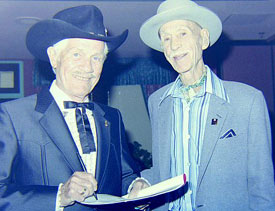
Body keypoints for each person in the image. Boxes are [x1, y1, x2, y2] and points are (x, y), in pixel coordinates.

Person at [0, 5, 143, 211]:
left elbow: (125, 174)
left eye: (96, 58)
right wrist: (59, 196)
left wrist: (136, 185)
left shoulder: (112, 117)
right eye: (77, 55)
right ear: (53, 57)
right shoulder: (12, 116)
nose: (88, 68)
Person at [138, 0, 275, 210]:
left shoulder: (248, 101)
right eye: (167, 38)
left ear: (203, 38)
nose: (174, 45)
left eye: (183, 33)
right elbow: (163, 169)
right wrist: (144, 181)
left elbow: (262, 186)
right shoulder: (157, 102)